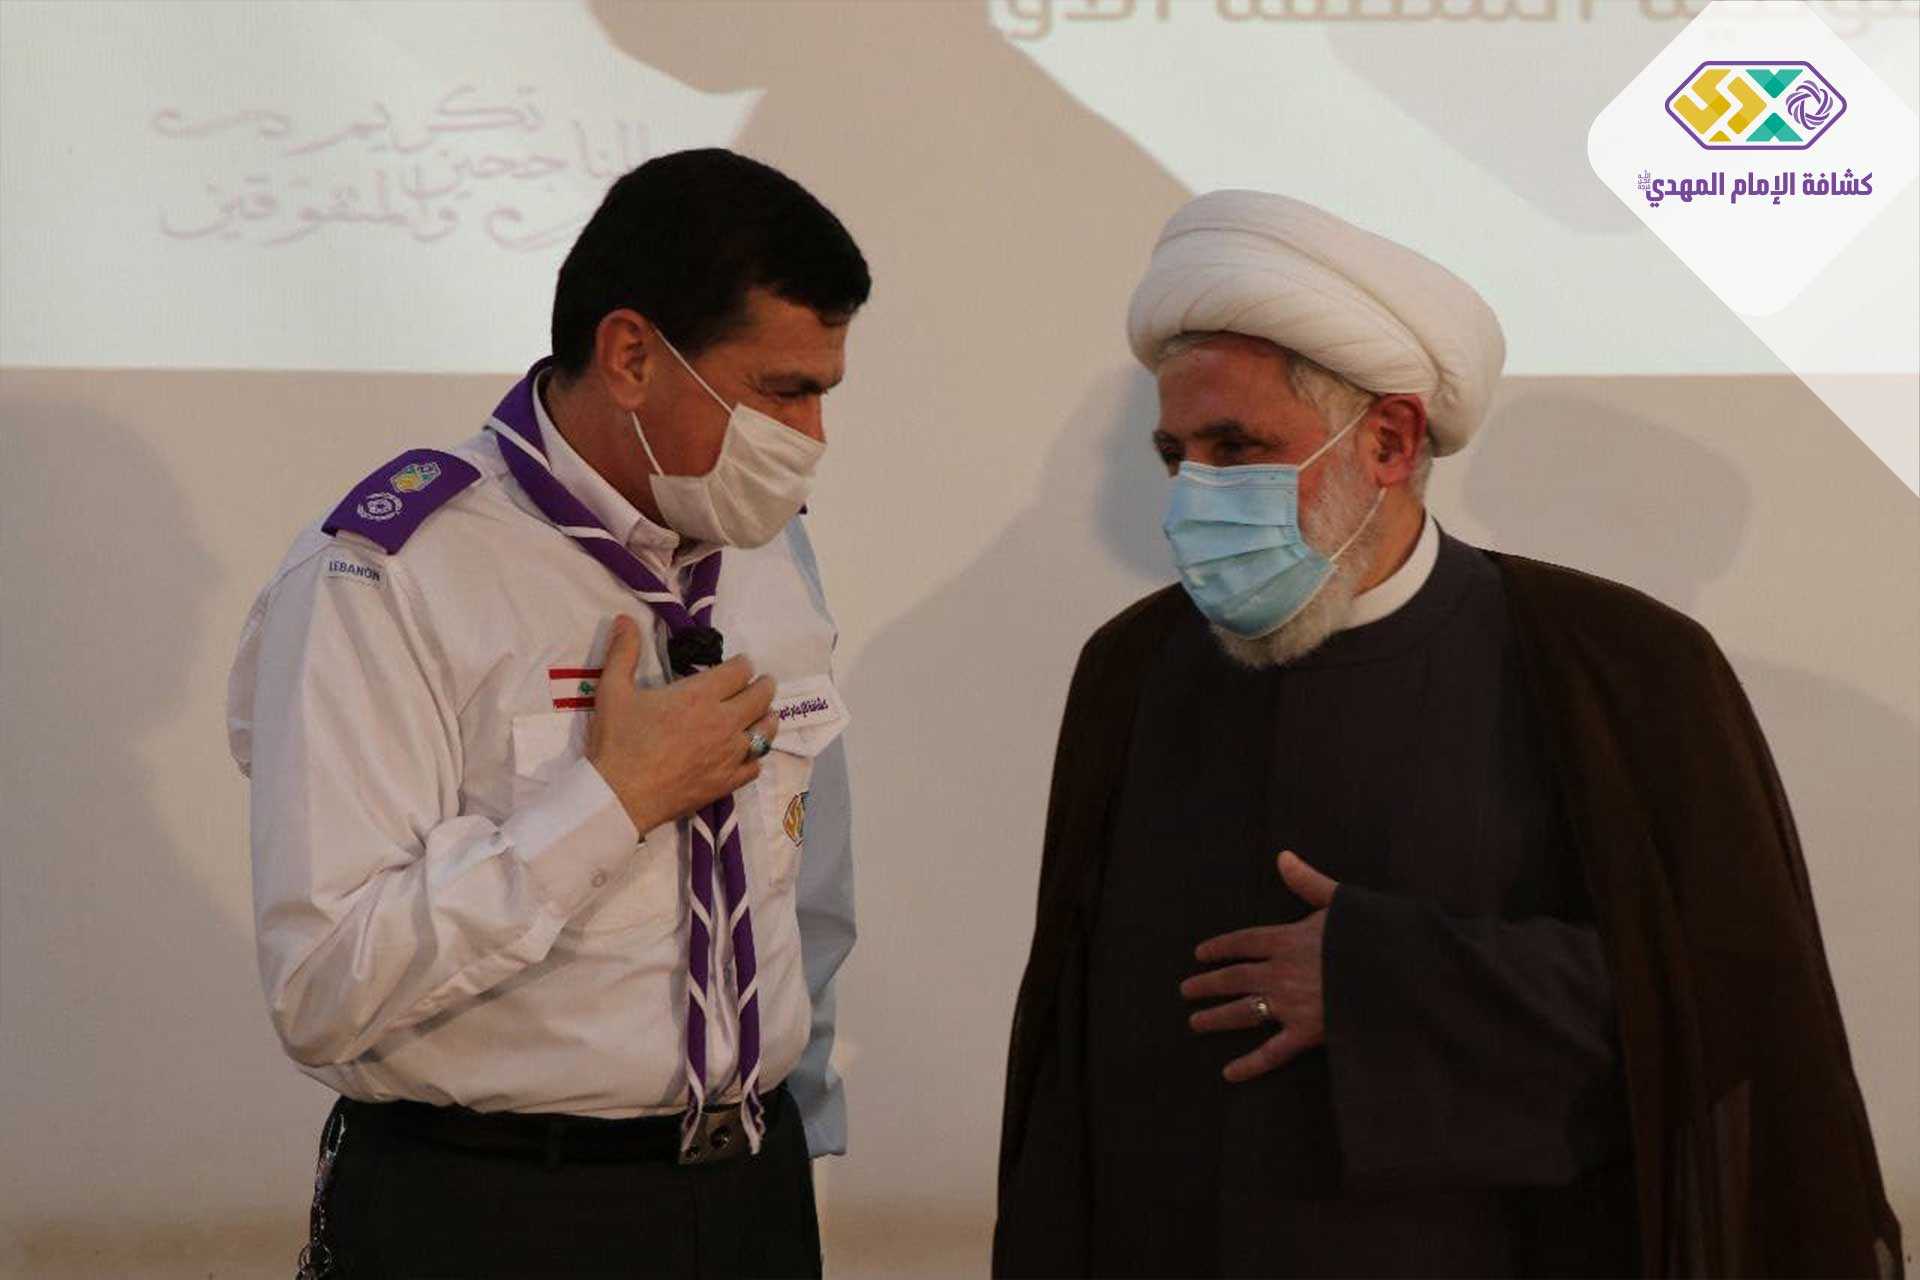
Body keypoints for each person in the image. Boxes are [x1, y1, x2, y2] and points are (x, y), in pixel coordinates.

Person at [993, 189, 1901, 1277]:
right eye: (1175, 453)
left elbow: (1732, 1009)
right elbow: (1067, 1050)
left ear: (1388, 439)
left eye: (1236, 446)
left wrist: (1382, 978)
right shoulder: (1133, 666)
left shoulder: (1620, 665)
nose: (1195, 493)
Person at [226, 148, 869, 1278]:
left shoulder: (768, 553)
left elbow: (803, 888)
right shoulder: (391, 571)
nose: (811, 437)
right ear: (631, 355)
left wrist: (792, 1116)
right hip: (496, 1205)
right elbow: (322, 985)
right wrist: (609, 801)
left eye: (824, 392)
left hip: (749, 1195)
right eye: (781, 391)